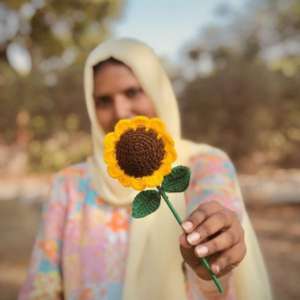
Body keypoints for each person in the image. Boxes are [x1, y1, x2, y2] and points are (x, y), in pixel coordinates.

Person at [19, 38, 272, 300]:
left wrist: (215, 249)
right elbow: (42, 286)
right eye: (104, 101)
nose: (120, 111)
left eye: (132, 92)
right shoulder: (70, 184)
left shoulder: (205, 165)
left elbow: (214, 213)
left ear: (157, 91)